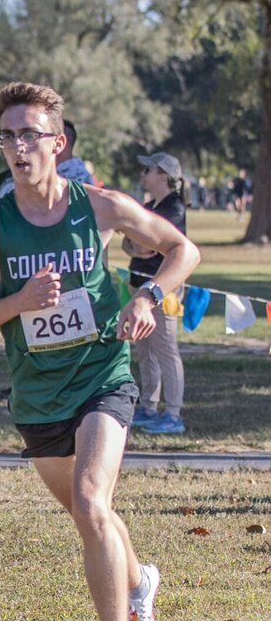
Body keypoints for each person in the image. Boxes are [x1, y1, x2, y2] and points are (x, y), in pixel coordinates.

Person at [0, 82, 200, 621]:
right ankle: (140, 578)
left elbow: (183, 248)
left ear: (57, 143)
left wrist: (148, 296)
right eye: (7, 135)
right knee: (90, 516)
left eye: (29, 133)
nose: (17, 146)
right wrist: (18, 302)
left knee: (92, 502)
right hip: (37, 394)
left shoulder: (101, 207)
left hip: (102, 375)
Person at [123, 152, 189, 435]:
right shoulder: (149, 206)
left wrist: (138, 243)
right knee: (145, 350)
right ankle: (149, 407)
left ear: (163, 175)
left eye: (148, 169)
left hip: (162, 289)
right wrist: (137, 244)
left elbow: (145, 247)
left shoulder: (173, 208)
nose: (143, 174)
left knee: (165, 350)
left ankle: (172, 414)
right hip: (138, 285)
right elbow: (131, 245)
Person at [0, 119, 93, 202]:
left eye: (30, 136)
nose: (19, 146)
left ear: (59, 143)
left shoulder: (77, 181)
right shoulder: (3, 180)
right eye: (7, 138)